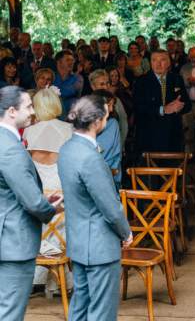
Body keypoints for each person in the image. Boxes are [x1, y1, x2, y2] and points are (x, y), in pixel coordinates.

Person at [58, 95, 132, 321]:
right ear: (97, 120)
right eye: (107, 115)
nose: (109, 118)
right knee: (102, 311)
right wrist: (125, 232)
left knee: (80, 307)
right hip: (99, 245)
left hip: (78, 240)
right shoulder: (91, 157)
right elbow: (110, 206)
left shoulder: (67, 149)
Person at [0, 86, 61, 320]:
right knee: (10, 312)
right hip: (13, 242)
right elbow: (34, 205)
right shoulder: (10, 149)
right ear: (12, 111)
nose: (33, 111)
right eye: (28, 106)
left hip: (8, 236)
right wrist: (50, 207)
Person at [23, 88, 73, 294]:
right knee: (62, 231)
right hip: (63, 196)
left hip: (40, 196)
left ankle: (41, 278)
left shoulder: (29, 132)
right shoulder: (68, 129)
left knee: (42, 230)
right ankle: (62, 281)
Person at [134, 49, 191, 157]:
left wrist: (179, 107)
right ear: (150, 62)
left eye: (163, 60)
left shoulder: (177, 79)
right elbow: (138, 108)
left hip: (173, 136)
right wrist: (163, 109)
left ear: (169, 62)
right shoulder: (141, 82)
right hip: (150, 137)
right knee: (152, 172)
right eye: (154, 60)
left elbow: (188, 105)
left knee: (173, 171)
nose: (158, 64)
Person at [92, 90, 123, 190]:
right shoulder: (85, 122)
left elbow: (114, 153)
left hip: (109, 172)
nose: (111, 109)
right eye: (109, 105)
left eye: (112, 106)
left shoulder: (112, 123)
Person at [53, 50, 83, 116]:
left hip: (71, 116)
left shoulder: (78, 78)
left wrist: (54, 92)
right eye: (68, 60)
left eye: (72, 60)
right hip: (53, 114)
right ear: (59, 62)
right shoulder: (51, 77)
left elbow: (69, 91)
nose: (71, 62)